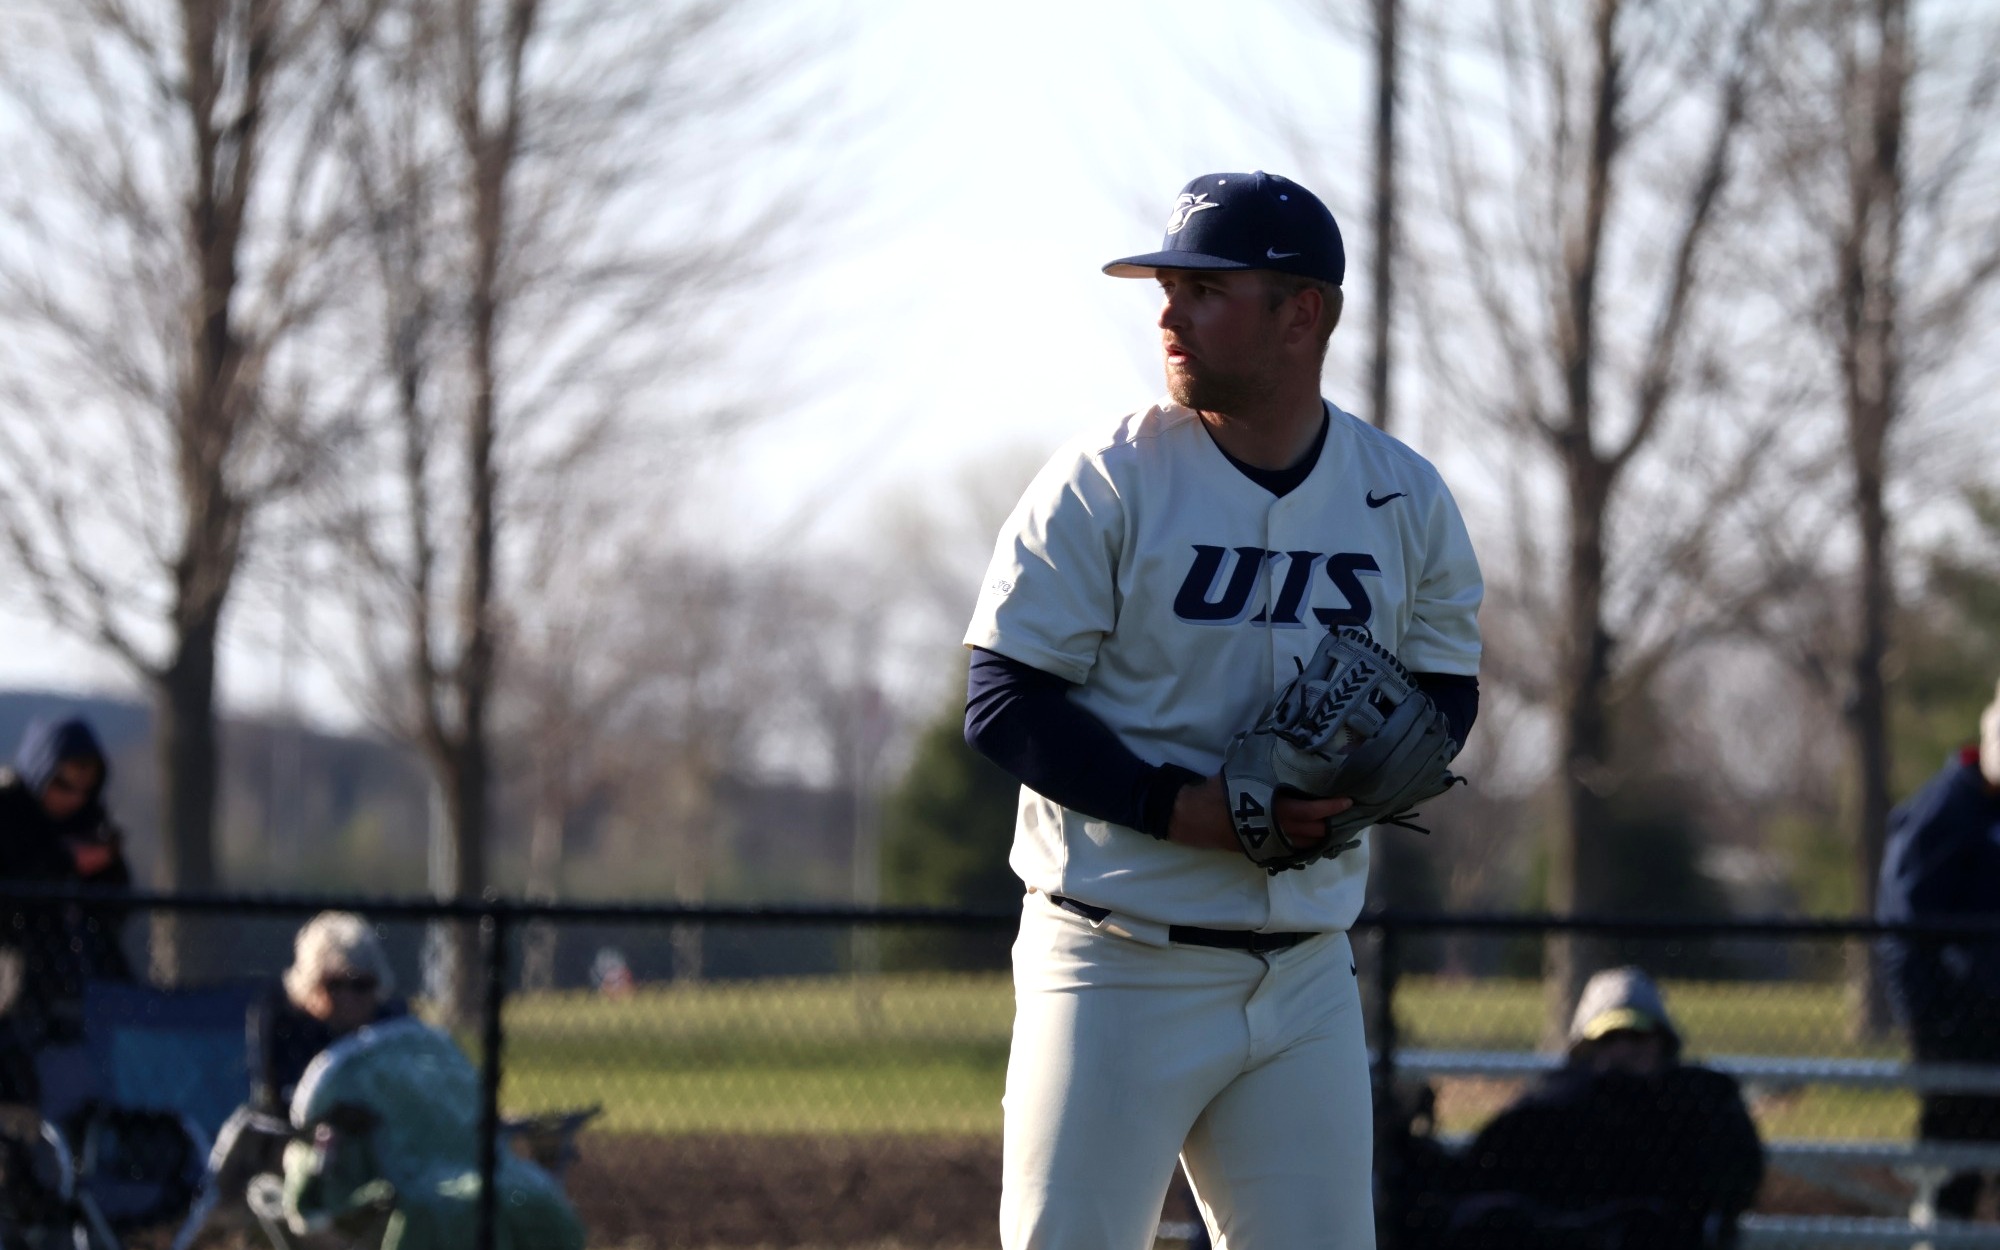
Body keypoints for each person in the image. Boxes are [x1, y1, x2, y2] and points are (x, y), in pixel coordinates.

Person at [964, 171, 1483, 1249]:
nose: (1167, 310)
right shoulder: (1107, 480)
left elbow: (1442, 684)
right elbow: (1004, 700)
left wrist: (1356, 783)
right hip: (1112, 958)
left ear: (1303, 312)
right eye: (1165, 285)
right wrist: (1176, 804)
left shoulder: (1402, 495)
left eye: (1204, 288)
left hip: (1301, 968)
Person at [1447, 968, 1764, 1250]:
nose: (1623, 1050)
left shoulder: (1701, 1109)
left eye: (1637, 1037)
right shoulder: (1548, 1110)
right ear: (1585, 1048)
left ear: (1662, 1044)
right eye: (1609, 1039)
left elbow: (1735, 1187)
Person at [1877, 677, 2000, 1219]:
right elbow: (1904, 930)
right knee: (1950, 1186)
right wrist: (1929, 1024)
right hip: (1965, 1037)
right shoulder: (1945, 811)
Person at [0, 716, 133, 1055]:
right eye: (62, 785)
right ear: (40, 771)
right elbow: (15, 893)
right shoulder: (8, 811)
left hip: (83, 978)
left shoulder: (91, 820)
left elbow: (117, 904)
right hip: (15, 977)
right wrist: (67, 864)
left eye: (85, 789)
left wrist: (104, 864)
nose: (74, 799)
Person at [250, 912, 408, 1116]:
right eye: (334, 985)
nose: (348, 998)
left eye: (361, 985)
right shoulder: (284, 1027)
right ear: (309, 984)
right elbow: (278, 1103)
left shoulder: (393, 1030)